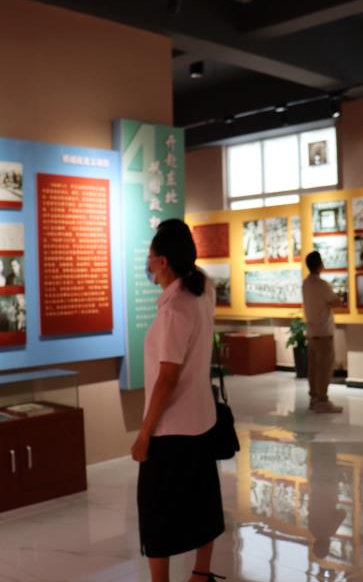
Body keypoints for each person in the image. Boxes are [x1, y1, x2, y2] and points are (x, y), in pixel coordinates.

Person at [131, 219, 225, 582]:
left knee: (156, 513)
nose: (147, 262)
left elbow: (167, 378)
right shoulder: (203, 289)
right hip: (202, 420)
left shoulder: (173, 310)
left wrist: (144, 433)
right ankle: (201, 574)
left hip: (170, 431)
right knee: (203, 503)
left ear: (162, 262)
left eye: (150, 256)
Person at [302, 251, 344, 413]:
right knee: (324, 368)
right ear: (320, 264)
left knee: (313, 368)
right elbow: (337, 302)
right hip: (324, 333)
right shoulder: (322, 285)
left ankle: (314, 398)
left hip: (312, 332)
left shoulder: (306, 284)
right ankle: (322, 400)